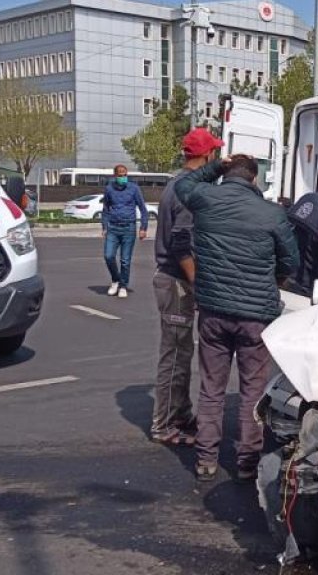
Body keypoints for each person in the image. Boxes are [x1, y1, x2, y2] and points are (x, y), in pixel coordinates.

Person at [174, 154, 300, 480]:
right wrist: (273, 282)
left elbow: (183, 183)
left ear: (226, 175)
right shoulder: (272, 213)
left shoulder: (205, 198)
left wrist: (214, 166)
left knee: (211, 389)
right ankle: (247, 462)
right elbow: (291, 261)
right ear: (254, 179)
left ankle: (205, 460)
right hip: (256, 316)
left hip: (214, 311)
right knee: (252, 392)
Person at [147, 129, 219, 446]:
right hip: (176, 281)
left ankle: (179, 413)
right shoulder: (189, 190)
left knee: (182, 351)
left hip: (174, 278)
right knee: (175, 355)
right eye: (214, 152)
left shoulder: (178, 183)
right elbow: (181, 243)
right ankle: (163, 425)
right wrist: (199, 284)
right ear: (206, 156)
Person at [101, 164, 150, 298]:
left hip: (129, 228)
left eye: (125, 175)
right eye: (120, 175)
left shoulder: (134, 189)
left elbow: (143, 209)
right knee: (108, 256)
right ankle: (115, 279)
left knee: (125, 260)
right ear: (115, 175)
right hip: (113, 228)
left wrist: (143, 228)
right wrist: (104, 226)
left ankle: (123, 285)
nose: (123, 177)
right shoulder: (109, 189)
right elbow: (105, 209)